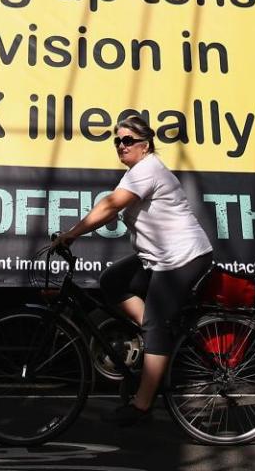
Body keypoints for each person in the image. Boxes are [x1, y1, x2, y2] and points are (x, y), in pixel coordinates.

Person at [53, 115, 213, 426]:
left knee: (155, 323)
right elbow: (112, 207)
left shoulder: (148, 168)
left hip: (182, 258)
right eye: (117, 141)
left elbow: (111, 205)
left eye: (127, 140)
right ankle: (157, 338)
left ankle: (142, 405)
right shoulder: (138, 172)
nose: (121, 145)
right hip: (158, 258)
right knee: (113, 282)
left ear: (145, 145)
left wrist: (72, 233)